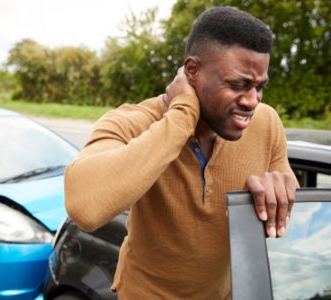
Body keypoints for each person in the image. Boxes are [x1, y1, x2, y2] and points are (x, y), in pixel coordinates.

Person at [65, 6, 297, 299]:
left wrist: (280, 189)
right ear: (192, 71)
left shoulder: (267, 123)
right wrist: (182, 114)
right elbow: (85, 208)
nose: (252, 101)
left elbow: (286, 182)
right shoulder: (130, 122)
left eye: (259, 87)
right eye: (238, 84)